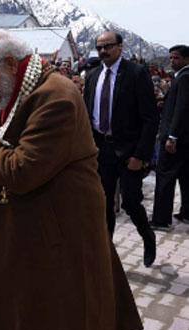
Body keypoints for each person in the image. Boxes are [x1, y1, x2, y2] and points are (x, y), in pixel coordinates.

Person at [0, 29, 142, 330]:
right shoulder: (20, 89)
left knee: (71, 327)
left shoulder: (57, 98)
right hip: (28, 236)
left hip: (62, 240)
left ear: (9, 64)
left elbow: (20, 171)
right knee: (7, 321)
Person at [83, 31, 159, 267]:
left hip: (129, 153)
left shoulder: (136, 74)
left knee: (130, 201)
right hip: (101, 151)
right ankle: (107, 254)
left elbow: (150, 118)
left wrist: (140, 155)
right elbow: (87, 116)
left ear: (120, 47)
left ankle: (148, 236)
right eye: (99, 47)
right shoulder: (93, 76)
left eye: (108, 46)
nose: (103, 51)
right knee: (103, 202)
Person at [151, 45, 189, 228]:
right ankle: (187, 213)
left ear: (186, 59)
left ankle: (161, 219)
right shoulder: (180, 77)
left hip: (175, 138)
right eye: (171, 58)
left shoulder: (184, 77)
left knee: (165, 176)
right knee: (185, 176)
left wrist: (172, 136)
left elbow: (181, 109)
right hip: (184, 138)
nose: (172, 61)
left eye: (176, 58)